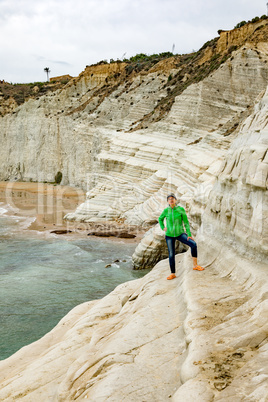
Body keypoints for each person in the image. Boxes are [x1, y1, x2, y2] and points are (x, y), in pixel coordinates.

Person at [158, 193, 204, 280]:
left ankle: (195, 265)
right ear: (168, 201)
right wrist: (163, 227)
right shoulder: (166, 211)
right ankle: (173, 273)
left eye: (172, 198)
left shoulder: (180, 209)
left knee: (193, 244)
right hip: (169, 235)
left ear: (175, 200)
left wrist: (189, 234)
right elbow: (160, 219)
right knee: (171, 254)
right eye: (169, 199)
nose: (171, 200)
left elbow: (186, 223)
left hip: (180, 234)